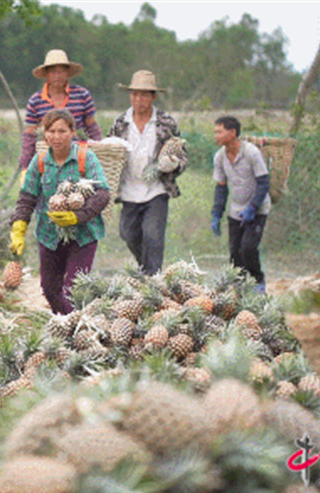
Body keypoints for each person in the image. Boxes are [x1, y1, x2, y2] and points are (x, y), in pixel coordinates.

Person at [10, 109, 111, 315]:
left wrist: (77, 216)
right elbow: (27, 197)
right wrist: (19, 226)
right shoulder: (39, 162)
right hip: (49, 235)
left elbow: (103, 194)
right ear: (44, 134)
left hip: (83, 235)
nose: (56, 137)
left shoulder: (85, 158)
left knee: (74, 291)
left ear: (73, 132)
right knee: (49, 290)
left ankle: (74, 332)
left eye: (62, 131)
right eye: (52, 131)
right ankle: (68, 324)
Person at [107, 70, 187, 276]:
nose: (138, 99)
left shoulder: (166, 123)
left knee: (153, 234)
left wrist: (173, 164)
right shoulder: (120, 123)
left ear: (153, 97)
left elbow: (182, 154)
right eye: (134, 94)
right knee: (128, 234)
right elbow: (108, 151)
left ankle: (153, 278)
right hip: (128, 190)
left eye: (144, 95)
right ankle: (148, 269)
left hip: (156, 189)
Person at [18, 49, 102, 179]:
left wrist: (99, 151)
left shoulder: (82, 95)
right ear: (46, 74)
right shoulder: (36, 100)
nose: (58, 75)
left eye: (62, 71)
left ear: (67, 73)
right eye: (53, 72)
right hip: (48, 161)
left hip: (79, 158)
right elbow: (30, 135)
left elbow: (92, 127)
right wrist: (25, 165)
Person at [210, 116, 270, 294]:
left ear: (233, 133)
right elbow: (221, 188)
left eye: (219, 132)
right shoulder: (220, 157)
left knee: (248, 248)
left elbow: (264, 183)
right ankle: (239, 290)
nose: (216, 136)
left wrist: (252, 207)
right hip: (235, 211)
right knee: (235, 253)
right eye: (215, 132)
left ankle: (258, 281)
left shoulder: (251, 153)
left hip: (257, 210)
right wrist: (216, 214)